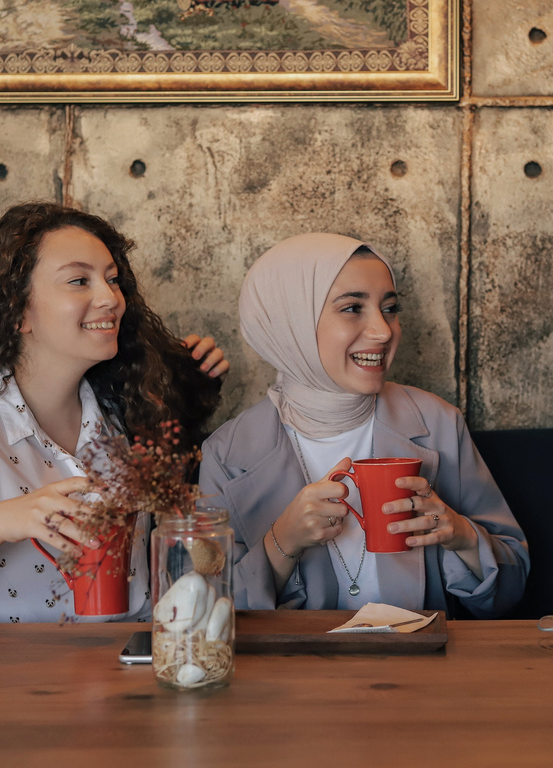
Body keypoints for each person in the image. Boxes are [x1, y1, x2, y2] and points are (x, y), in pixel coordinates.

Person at [0, 202, 228, 624]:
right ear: (18, 313)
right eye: (79, 281)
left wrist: (195, 384)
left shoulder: (126, 416)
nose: (110, 299)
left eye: (113, 280)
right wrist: (0, 520)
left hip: (128, 671)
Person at [200, 233, 528, 616]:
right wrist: (282, 541)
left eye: (390, 308)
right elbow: (203, 612)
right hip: (292, 672)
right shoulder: (226, 454)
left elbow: (513, 584)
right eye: (353, 307)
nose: (384, 331)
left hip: (419, 666)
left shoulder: (438, 423)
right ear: (289, 322)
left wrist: (459, 535)